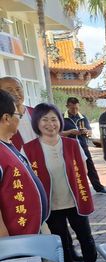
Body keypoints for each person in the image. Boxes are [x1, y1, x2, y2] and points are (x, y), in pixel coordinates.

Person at [23, 103, 101, 262]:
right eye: (45, 120)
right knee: (62, 242)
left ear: (60, 121)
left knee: (86, 237)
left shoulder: (72, 144)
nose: (50, 124)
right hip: (51, 205)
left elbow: (83, 170)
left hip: (74, 200)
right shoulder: (29, 149)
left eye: (54, 119)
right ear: (37, 123)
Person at [0, 89, 48, 236]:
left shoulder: (7, 144)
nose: (20, 119)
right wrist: (5, 242)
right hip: (17, 242)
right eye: (18, 115)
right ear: (6, 118)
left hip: (31, 231)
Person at [61, 97, 106, 194]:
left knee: (90, 166)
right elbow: (59, 133)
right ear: (67, 106)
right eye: (72, 108)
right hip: (68, 147)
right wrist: (71, 132)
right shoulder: (61, 118)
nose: (74, 111)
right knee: (71, 168)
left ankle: (99, 187)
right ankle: (73, 189)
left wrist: (87, 132)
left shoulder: (82, 117)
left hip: (82, 146)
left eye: (76, 108)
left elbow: (90, 132)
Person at [0, 77, 35, 151]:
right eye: (9, 90)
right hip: (15, 158)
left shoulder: (37, 113)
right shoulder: (2, 119)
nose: (16, 93)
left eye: (18, 89)